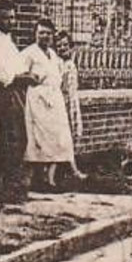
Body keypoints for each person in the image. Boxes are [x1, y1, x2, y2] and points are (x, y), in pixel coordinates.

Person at [20, 18, 79, 189]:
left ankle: (51, 177)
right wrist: (30, 78)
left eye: (47, 33)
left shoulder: (53, 55)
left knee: (57, 137)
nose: (44, 36)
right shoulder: (29, 53)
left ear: (52, 35)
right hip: (37, 99)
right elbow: (19, 74)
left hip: (55, 99)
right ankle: (40, 179)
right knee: (39, 138)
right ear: (35, 34)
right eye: (41, 33)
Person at [0, 0, 40, 195]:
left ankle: (11, 181)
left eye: (12, 17)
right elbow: (2, 73)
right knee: (12, 135)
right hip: (5, 92)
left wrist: (26, 75)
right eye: (5, 18)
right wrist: (25, 77)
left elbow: (17, 65)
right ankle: (5, 182)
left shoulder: (7, 40)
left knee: (19, 136)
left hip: (17, 91)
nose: (10, 21)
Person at [55, 30, 89, 181]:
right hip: (62, 102)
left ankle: (65, 170)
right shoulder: (57, 64)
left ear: (71, 47)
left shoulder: (70, 64)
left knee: (69, 136)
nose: (62, 48)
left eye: (65, 45)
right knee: (63, 137)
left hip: (72, 101)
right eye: (59, 46)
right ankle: (72, 170)